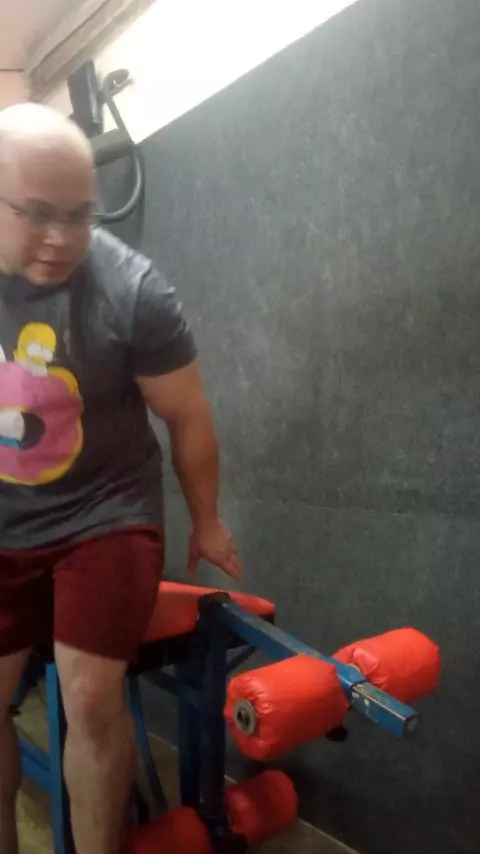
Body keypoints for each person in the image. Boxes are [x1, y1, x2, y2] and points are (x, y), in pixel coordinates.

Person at [0, 102, 242, 854]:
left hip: (104, 513)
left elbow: (186, 415)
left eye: (79, 214)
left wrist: (207, 520)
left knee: (89, 695)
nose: (61, 238)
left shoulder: (132, 290)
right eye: (38, 214)